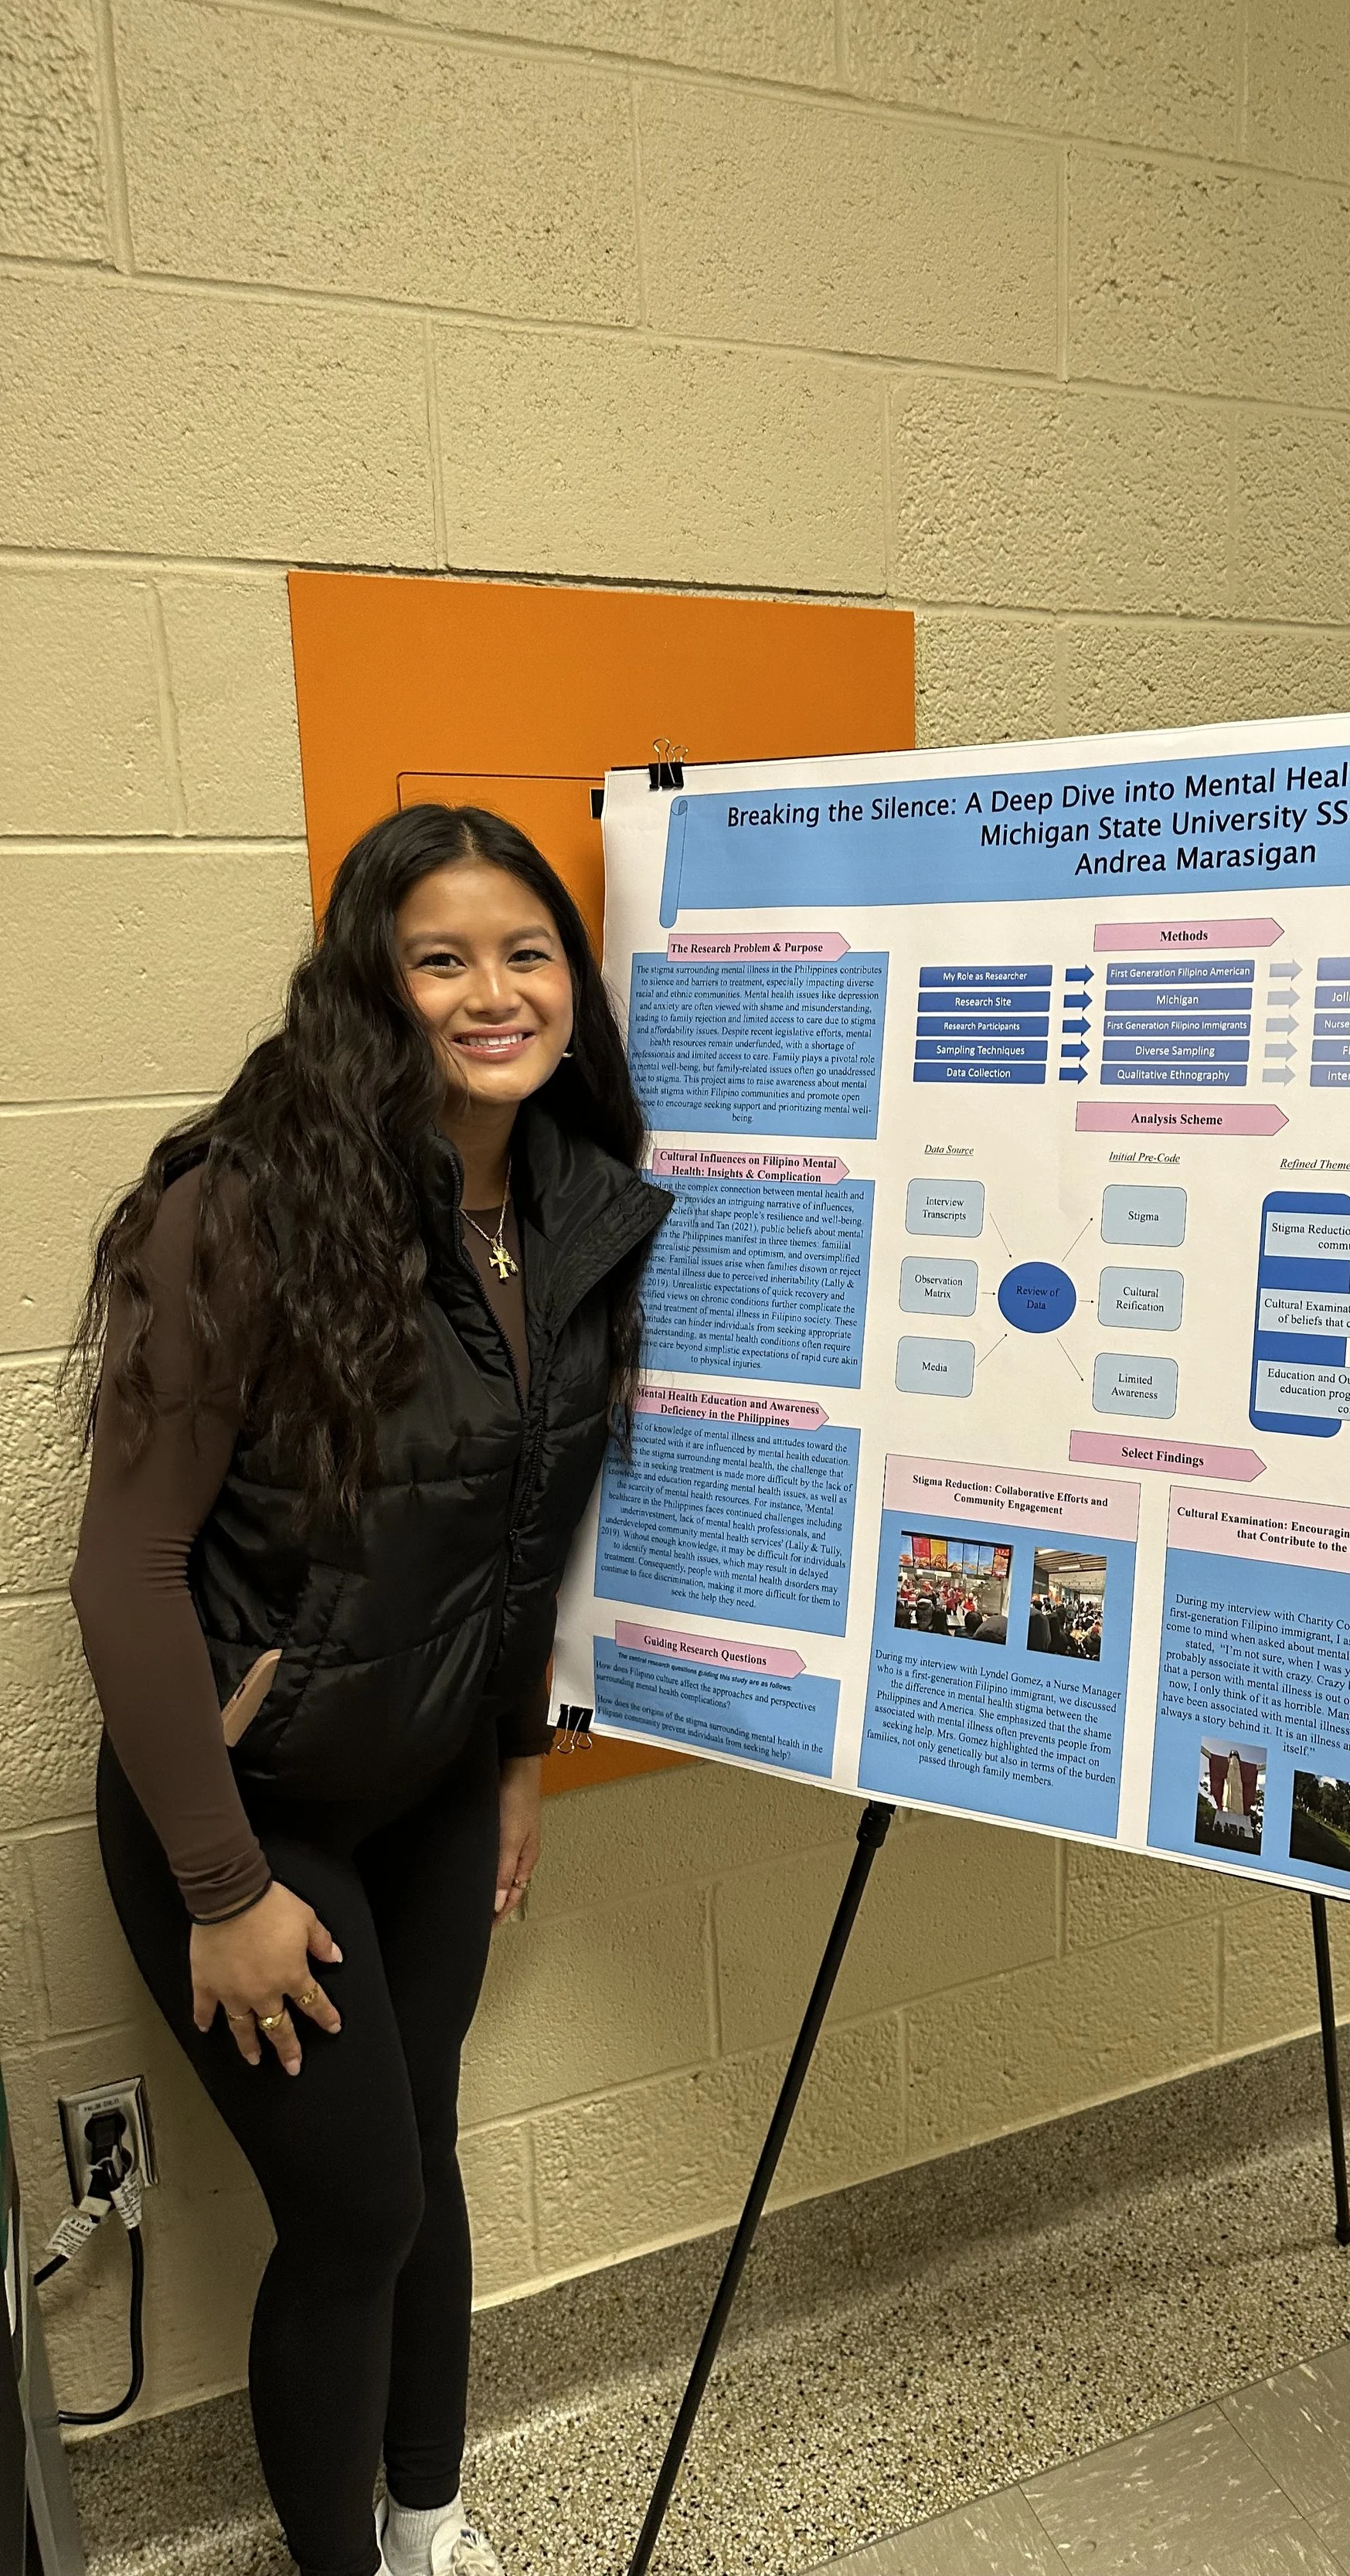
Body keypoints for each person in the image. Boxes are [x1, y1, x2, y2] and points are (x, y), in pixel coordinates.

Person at [67, 807, 671, 2576]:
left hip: (428, 1785)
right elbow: (125, 1573)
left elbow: (507, 1540)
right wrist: (222, 1886)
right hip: (248, 1810)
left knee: (421, 2156)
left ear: (572, 976)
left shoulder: (564, 1211)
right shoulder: (239, 1206)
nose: (494, 990)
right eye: (440, 955)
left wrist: (512, 1765)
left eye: (527, 950)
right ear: (373, 987)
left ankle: (427, 2527)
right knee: (356, 2215)